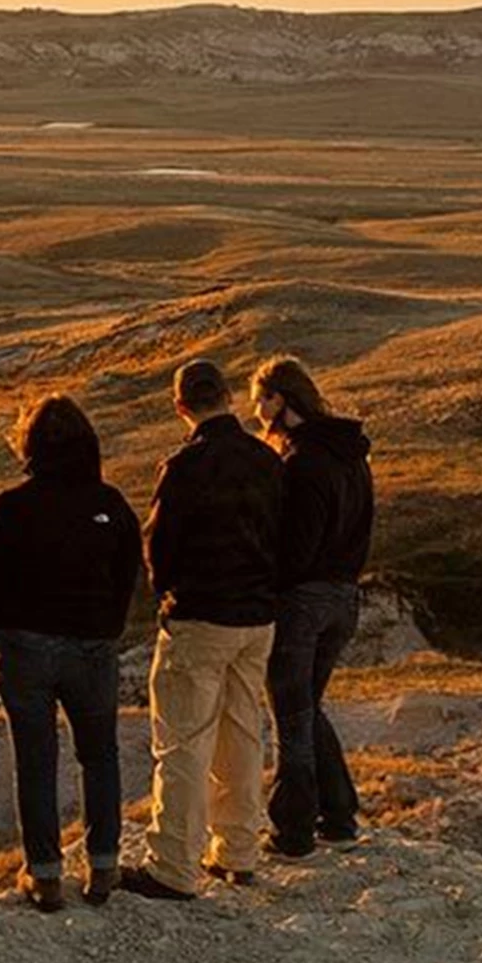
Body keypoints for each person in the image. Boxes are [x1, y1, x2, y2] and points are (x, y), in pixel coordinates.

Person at [122, 358, 284, 902]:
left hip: (201, 615)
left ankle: (172, 864)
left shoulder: (185, 466)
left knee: (184, 742)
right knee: (241, 731)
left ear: (180, 407)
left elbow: (159, 544)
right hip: (257, 615)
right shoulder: (267, 459)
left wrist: (167, 594)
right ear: (230, 397)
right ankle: (238, 851)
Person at [0, 395, 141, 910]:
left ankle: (44, 875)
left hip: (24, 646)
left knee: (36, 760)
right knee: (100, 755)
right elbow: (128, 575)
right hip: (92, 644)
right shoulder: (110, 505)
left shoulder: (12, 506)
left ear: (29, 447)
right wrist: (107, 628)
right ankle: (104, 865)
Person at [251, 355, 373, 856]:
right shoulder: (350, 455)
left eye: (260, 400)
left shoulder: (300, 463)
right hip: (345, 597)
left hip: (303, 601)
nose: (256, 410)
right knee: (306, 706)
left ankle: (293, 829)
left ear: (280, 401)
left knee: (291, 715)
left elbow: (296, 549)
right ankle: (339, 814)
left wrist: (267, 583)